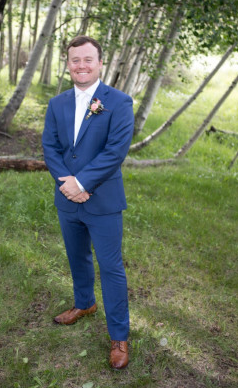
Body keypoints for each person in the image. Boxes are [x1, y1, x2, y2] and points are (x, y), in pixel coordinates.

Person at [42, 35, 134, 369]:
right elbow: (50, 147)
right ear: (68, 64)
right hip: (67, 198)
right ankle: (84, 303)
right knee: (76, 255)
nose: (81, 66)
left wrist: (82, 183)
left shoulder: (119, 102)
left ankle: (119, 336)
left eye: (87, 60)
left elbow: (115, 151)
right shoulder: (57, 103)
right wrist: (68, 185)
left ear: (100, 63)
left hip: (103, 200)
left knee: (111, 268)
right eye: (75, 60)